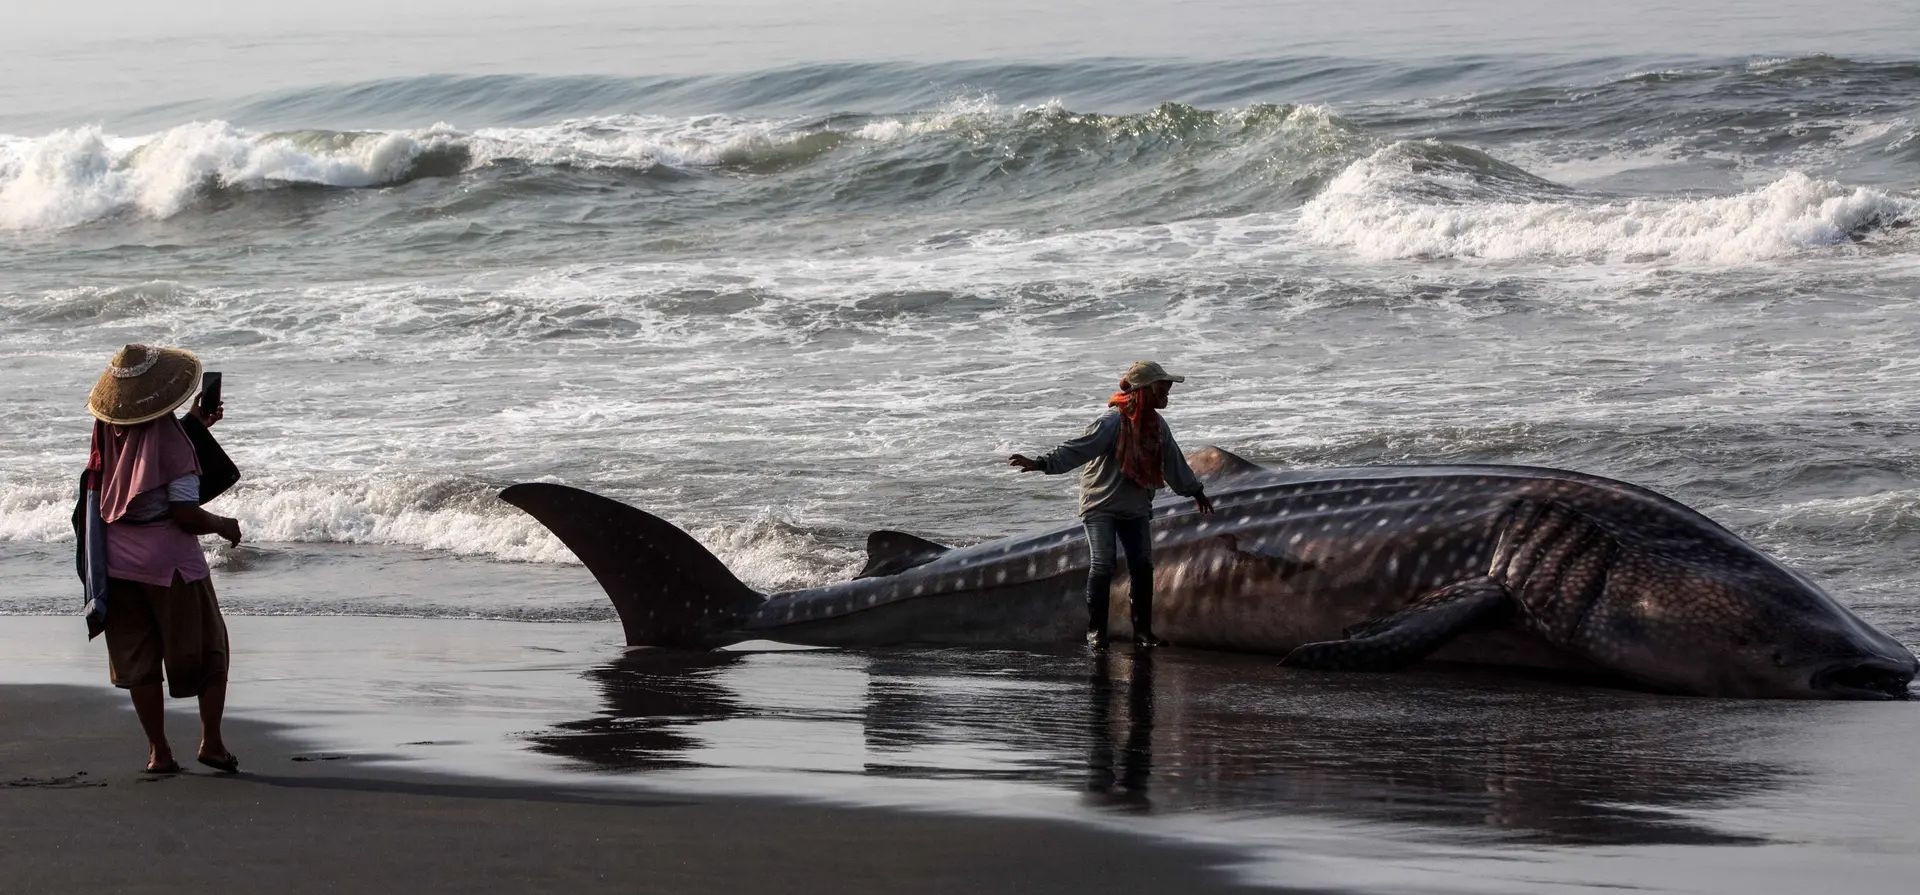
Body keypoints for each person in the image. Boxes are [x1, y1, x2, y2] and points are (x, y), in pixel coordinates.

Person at [79, 344, 243, 774]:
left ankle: (159, 751)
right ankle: (211, 742)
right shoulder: (172, 442)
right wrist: (224, 524)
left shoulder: (105, 433)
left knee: (139, 659)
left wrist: (196, 423)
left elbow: (134, 467)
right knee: (211, 651)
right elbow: (183, 513)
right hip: (170, 565)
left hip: (113, 562)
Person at [1008, 360, 1214, 648]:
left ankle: (1142, 633)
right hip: (1100, 503)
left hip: (1135, 505)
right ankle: (1096, 632)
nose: (1167, 390)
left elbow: (1173, 463)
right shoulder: (1112, 422)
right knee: (1103, 565)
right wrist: (1042, 463)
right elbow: (1077, 449)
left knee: (1142, 566)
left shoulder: (1157, 426)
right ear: (1143, 389)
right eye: (1161, 386)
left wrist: (1196, 492)